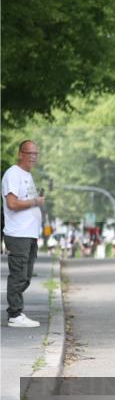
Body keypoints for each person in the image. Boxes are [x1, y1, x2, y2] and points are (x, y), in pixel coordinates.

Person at [3, 140, 44, 327]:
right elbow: (12, 203)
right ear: (20, 154)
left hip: (29, 234)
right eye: (29, 153)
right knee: (18, 275)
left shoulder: (27, 176)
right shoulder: (13, 174)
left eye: (35, 153)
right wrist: (35, 202)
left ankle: (16, 312)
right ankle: (15, 314)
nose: (33, 157)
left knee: (25, 276)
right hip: (18, 234)